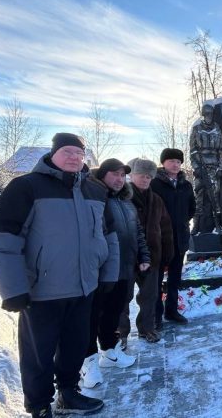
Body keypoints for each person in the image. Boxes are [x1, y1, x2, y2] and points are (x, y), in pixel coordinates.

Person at [0, 133, 118, 417]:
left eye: (79, 153)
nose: (74, 157)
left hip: (84, 288)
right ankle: (38, 406)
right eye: (67, 151)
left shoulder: (94, 191)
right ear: (53, 153)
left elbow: (108, 237)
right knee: (39, 354)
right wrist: (12, 289)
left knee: (75, 346)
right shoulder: (26, 187)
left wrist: (109, 274)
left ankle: (68, 394)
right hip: (42, 290)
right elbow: (3, 239)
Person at [79, 159, 151, 389]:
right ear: (102, 176)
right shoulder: (94, 198)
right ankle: (87, 362)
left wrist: (144, 256)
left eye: (122, 175)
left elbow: (136, 231)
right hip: (100, 269)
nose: (119, 179)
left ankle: (109, 352)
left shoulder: (125, 201)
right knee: (92, 317)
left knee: (114, 312)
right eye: (114, 174)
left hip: (125, 267)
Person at [120, 158, 174, 343]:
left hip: (152, 256)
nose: (145, 179)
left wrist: (168, 251)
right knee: (122, 298)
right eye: (141, 175)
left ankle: (146, 328)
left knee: (149, 296)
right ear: (132, 175)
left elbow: (166, 227)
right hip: (125, 257)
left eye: (149, 177)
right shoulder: (122, 197)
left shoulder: (156, 200)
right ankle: (121, 333)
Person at [150, 148, 196, 325]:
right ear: (163, 163)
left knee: (175, 278)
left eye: (178, 162)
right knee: (157, 279)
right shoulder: (155, 183)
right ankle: (155, 315)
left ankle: (172, 311)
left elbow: (192, 208)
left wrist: (182, 222)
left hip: (180, 239)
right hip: (160, 239)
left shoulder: (186, 185)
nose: (175, 165)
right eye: (171, 161)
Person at [190, 103, 222, 235]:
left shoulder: (217, 129)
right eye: (206, 114)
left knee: (215, 197)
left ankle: (218, 224)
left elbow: (221, 150)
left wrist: (220, 168)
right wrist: (196, 168)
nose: (208, 117)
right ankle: (196, 225)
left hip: (214, 167)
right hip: (201, 168)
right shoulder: (197, 129)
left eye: (210, 114)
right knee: (199, 196)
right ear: (203, 115)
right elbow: (193, 151)